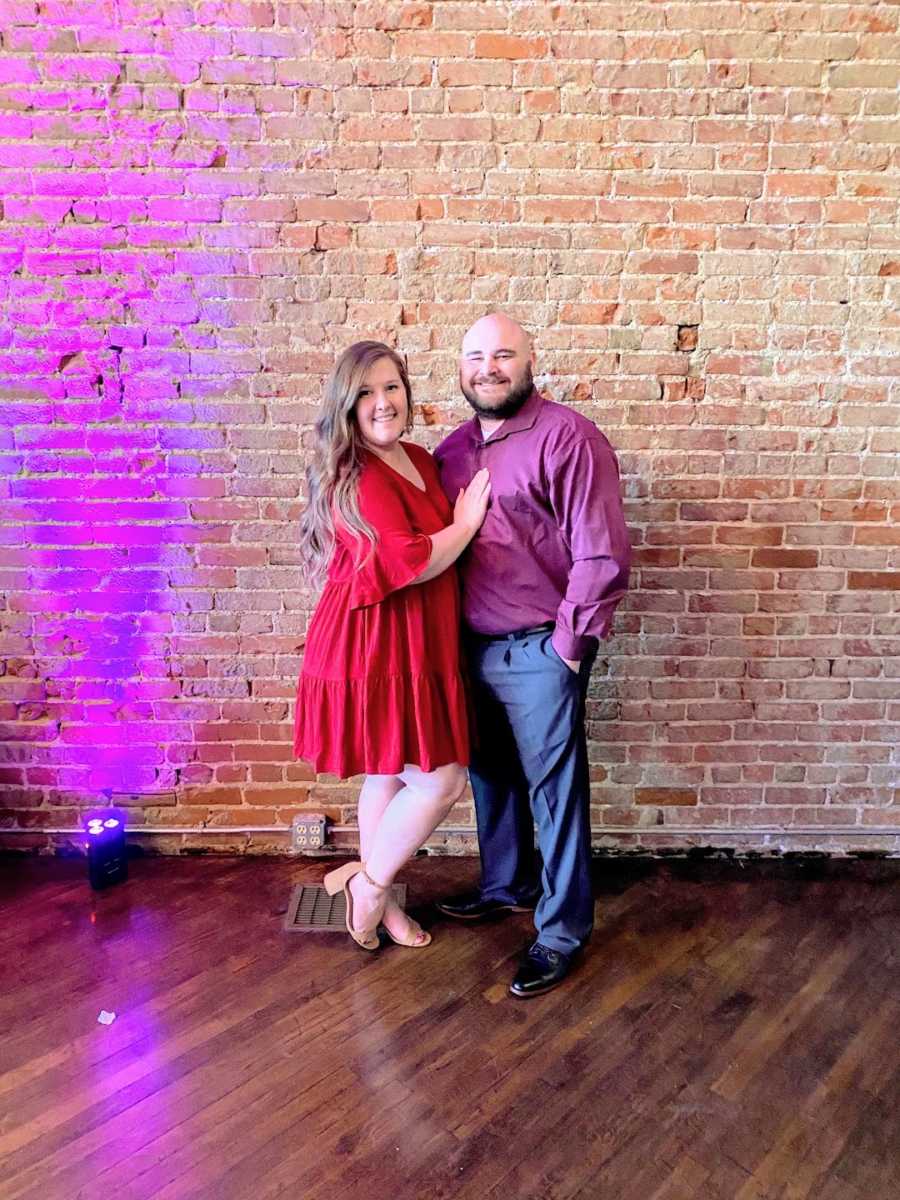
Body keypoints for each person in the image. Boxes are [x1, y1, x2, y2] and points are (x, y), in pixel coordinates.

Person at [434, 313, 631, 997]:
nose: (488, 367)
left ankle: (560, 932)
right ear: (460, 367)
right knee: (490, 776)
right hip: (470, 646)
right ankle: (505, 885)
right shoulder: (451, 451)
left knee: (555, 795)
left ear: (530, 360)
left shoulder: (568, 437)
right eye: (475, 355)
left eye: (503, 355)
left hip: (539, 648)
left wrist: (570, 649)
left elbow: (602, 552)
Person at [295, 341, 490, 951]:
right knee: (440, 781)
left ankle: (379, 897)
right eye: (366, 394)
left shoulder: (417, 458)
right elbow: (411, 558)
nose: (382, 403)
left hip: (412, 642)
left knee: (387, 773)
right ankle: (372, 885)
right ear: (346, 407)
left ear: (408, 391)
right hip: (371, 646)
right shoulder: (358, 472)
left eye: (392, 388)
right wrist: (465, 525)